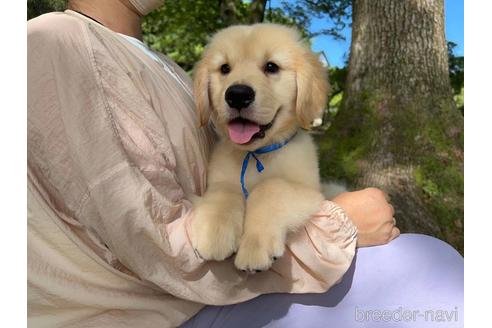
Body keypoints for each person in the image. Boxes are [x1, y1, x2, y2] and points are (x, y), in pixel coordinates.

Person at [27, 1, 463, 327]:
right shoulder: (52, 40)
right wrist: (336, 226)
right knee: (430, 283)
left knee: (430, 262)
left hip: (208, 292)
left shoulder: (165, 67)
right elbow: (152, 238)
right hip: (147, 311)